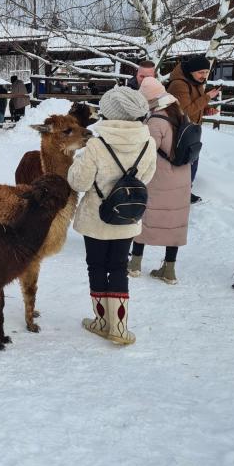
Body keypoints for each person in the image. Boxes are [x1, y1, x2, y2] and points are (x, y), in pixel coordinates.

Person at [68, 86, 156, 345]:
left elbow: (80, 182)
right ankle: (119, 327)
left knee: (96, 266)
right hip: (127, 216)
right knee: (119, 267)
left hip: (97, 217)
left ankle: (101, 321)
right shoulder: (148, 142)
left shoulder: (96, 144)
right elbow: (146, 178)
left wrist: (76, 163)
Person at [128, 79, 191, 285]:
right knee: (175, 222)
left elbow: (147, 152)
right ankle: (169, 270)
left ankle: (135, 264)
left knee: (144, 217)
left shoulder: (155, 120)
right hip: (181, 177)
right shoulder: (181, 114)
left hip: (159, 178)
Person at [167, 55, 219, 203]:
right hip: (179, 131)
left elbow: (196, 105)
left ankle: (185, 191)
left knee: (192, 161)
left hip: (191, 130)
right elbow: (185, 111)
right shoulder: (179, 84)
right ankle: (177, 194)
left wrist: (207, 110)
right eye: (201, 72)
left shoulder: (196, 82)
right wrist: (207, 97)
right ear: (191, 71)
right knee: (183, 162)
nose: (204, 76)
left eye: (206, 72)